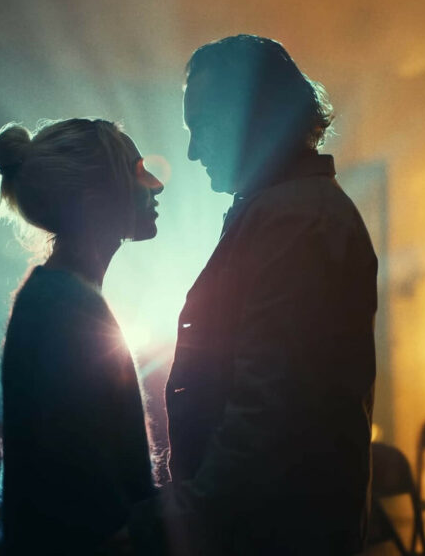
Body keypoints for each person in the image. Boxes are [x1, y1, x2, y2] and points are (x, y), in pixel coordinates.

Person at [127, 35, 378, 555]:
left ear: (254, 114)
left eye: (201, 127)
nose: (193, 151)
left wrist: (190, 513)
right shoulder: (291, 211)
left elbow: (270, 408)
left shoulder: (294, 221)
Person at [0, 118, 165, 554]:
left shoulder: (58, 299)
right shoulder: (66, 308)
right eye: (138, 171)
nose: (157, 185)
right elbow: (89, 502)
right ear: (93, 201)